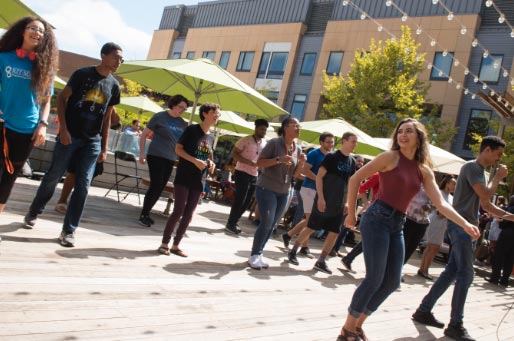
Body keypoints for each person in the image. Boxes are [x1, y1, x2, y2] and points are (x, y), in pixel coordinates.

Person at [337, 118, 480, 341]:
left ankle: (357, 325)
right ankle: (347, 329)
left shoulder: (424, 170)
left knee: (392, 281)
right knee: (374, 278)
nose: (402, 135)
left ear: (419, 137)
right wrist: (352, 213)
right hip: (377, 218)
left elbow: (441, 204)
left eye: (409, 131)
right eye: (400, 131)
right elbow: (356, 178)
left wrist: (465, 223)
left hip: (398, 223)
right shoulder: (390, 157)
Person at [412, 136, 514, 341]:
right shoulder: (472, 168)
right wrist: (498, 177)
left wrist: (512, 217)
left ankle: (424, 310)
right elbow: (486, 196)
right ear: (487, 150)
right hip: (461, 227)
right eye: (498, 154)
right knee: (466, 275)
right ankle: (455, 325)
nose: (499, 159)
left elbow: (486, 206)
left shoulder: (480, 173)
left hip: (466, 227)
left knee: (451, 272)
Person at [24, 42, 122, 247]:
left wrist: (104, 147)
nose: (119, 62)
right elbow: (61, 99)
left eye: (121, 59)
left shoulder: (114, 86)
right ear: (104, 55)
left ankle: (69, 230)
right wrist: (64, 131)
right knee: (53, 175)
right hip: (70, 135)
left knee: (83, 185)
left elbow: (107, 119)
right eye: (116, 57)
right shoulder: (82, 74)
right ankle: (34, 210)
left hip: (92, 141)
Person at [0, 17, 58, 214]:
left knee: (9, 176)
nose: (37, 33)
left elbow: (47, 101)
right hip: (2, 124)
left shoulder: (45, 68)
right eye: (32, 28)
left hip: (27, 130)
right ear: (22, 31)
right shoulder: (4, 57)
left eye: (41, 31)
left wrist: (43, 124)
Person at [287, 132, 357, 274]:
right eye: (353, 141)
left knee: (334, 232)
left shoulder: (353, 161)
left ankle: (321, 261)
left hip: (339, 203)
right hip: (324, 200)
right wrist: (320, 198)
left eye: (356, 142)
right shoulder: (331, 157)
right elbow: (319, 177)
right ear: (344, 141)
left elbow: (350, 183)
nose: (355, 144)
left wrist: (348, 203)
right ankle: (293, 251)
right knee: (312, 226)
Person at [158, 102, 219, 257]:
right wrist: (194, 161)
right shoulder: (192, 130)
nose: (217, 116)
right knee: (178, 210)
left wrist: (211, 164)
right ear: (205, 113)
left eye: (218, 113)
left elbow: (207, 157)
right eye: (215, 112)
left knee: (189, 214)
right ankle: (164, 243)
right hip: (184, 176)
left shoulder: (211, 137)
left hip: (199, 180)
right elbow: (178, 149)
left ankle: (176, 245)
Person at [247, 116, 306, 270]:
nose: (299, 129)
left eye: (299, 126)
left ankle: (259, 253)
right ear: (286, 127)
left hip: (284, 191)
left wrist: (301, 163)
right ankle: (254, 255)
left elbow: (295, 175)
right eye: (296, 125)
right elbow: (259, 163)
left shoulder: (297, 148)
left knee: (273, 224)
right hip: (267, 188)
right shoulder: (274, 143)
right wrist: (279, 159)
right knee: (266, 222)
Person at [138, 94, 189, 227]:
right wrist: (142, 153)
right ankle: (144, 214)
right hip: (156, 155)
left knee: (160, 187)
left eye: (184, 109)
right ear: (173, 104)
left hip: (170, 158)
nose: (182, 110)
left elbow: (184, 143)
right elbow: (144, 135)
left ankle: (147, 212)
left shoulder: (183, 124)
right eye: (180, 107)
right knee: (156, 184)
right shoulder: (159, 117)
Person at [282, 132, 335, 257]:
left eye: (332, 142)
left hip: (319, 192)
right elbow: (305, 170)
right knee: (311, 220)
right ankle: (303, 247)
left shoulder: (331, 156)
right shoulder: (314, 154)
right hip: (309, 189)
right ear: (321, 142)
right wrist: (319, 180)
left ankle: (289, 235)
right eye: (328, 142)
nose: (330, 144)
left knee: (310, 220)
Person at [225, 118, 268, 234]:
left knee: (248, 201)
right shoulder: (245, 140)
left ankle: (234, 221)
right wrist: (248, 162)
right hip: (241, 172)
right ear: (256, 128)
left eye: (265, 130)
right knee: (240, 198)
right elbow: (234, 154)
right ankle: (231, 223)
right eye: (261, 129)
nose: (263, 132)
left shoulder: (265, 144)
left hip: (254, 174)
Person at [418, 175, 456, 280]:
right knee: (433, 246)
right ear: (447, 183)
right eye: (453, 184)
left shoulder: (451, 197)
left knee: (432, 247)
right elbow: (433, 208)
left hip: (442, 223)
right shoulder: (440, 193)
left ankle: (423, 269)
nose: (454, 186)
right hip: (436, 220)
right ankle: (424, 270)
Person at [487, 195, 514, 287]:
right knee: (510, 259)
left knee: (499, 256)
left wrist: (501, 222)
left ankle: (495, 278)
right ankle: (505, 280)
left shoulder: (511, 208)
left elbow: (504, 221)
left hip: (507, 233)